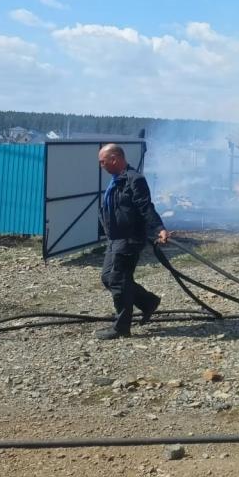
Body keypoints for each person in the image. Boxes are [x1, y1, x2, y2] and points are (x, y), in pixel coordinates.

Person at [95, 143, 170, 340]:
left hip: (129, 239)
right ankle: (147, 302)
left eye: (102, 162)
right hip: (115, 238)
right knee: (107, 278)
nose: (101, 165)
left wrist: (159, 228)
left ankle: (121, 327)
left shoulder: (134, 180)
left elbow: (146, 207)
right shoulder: (116, 180)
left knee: (119, 281)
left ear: (114, 159)